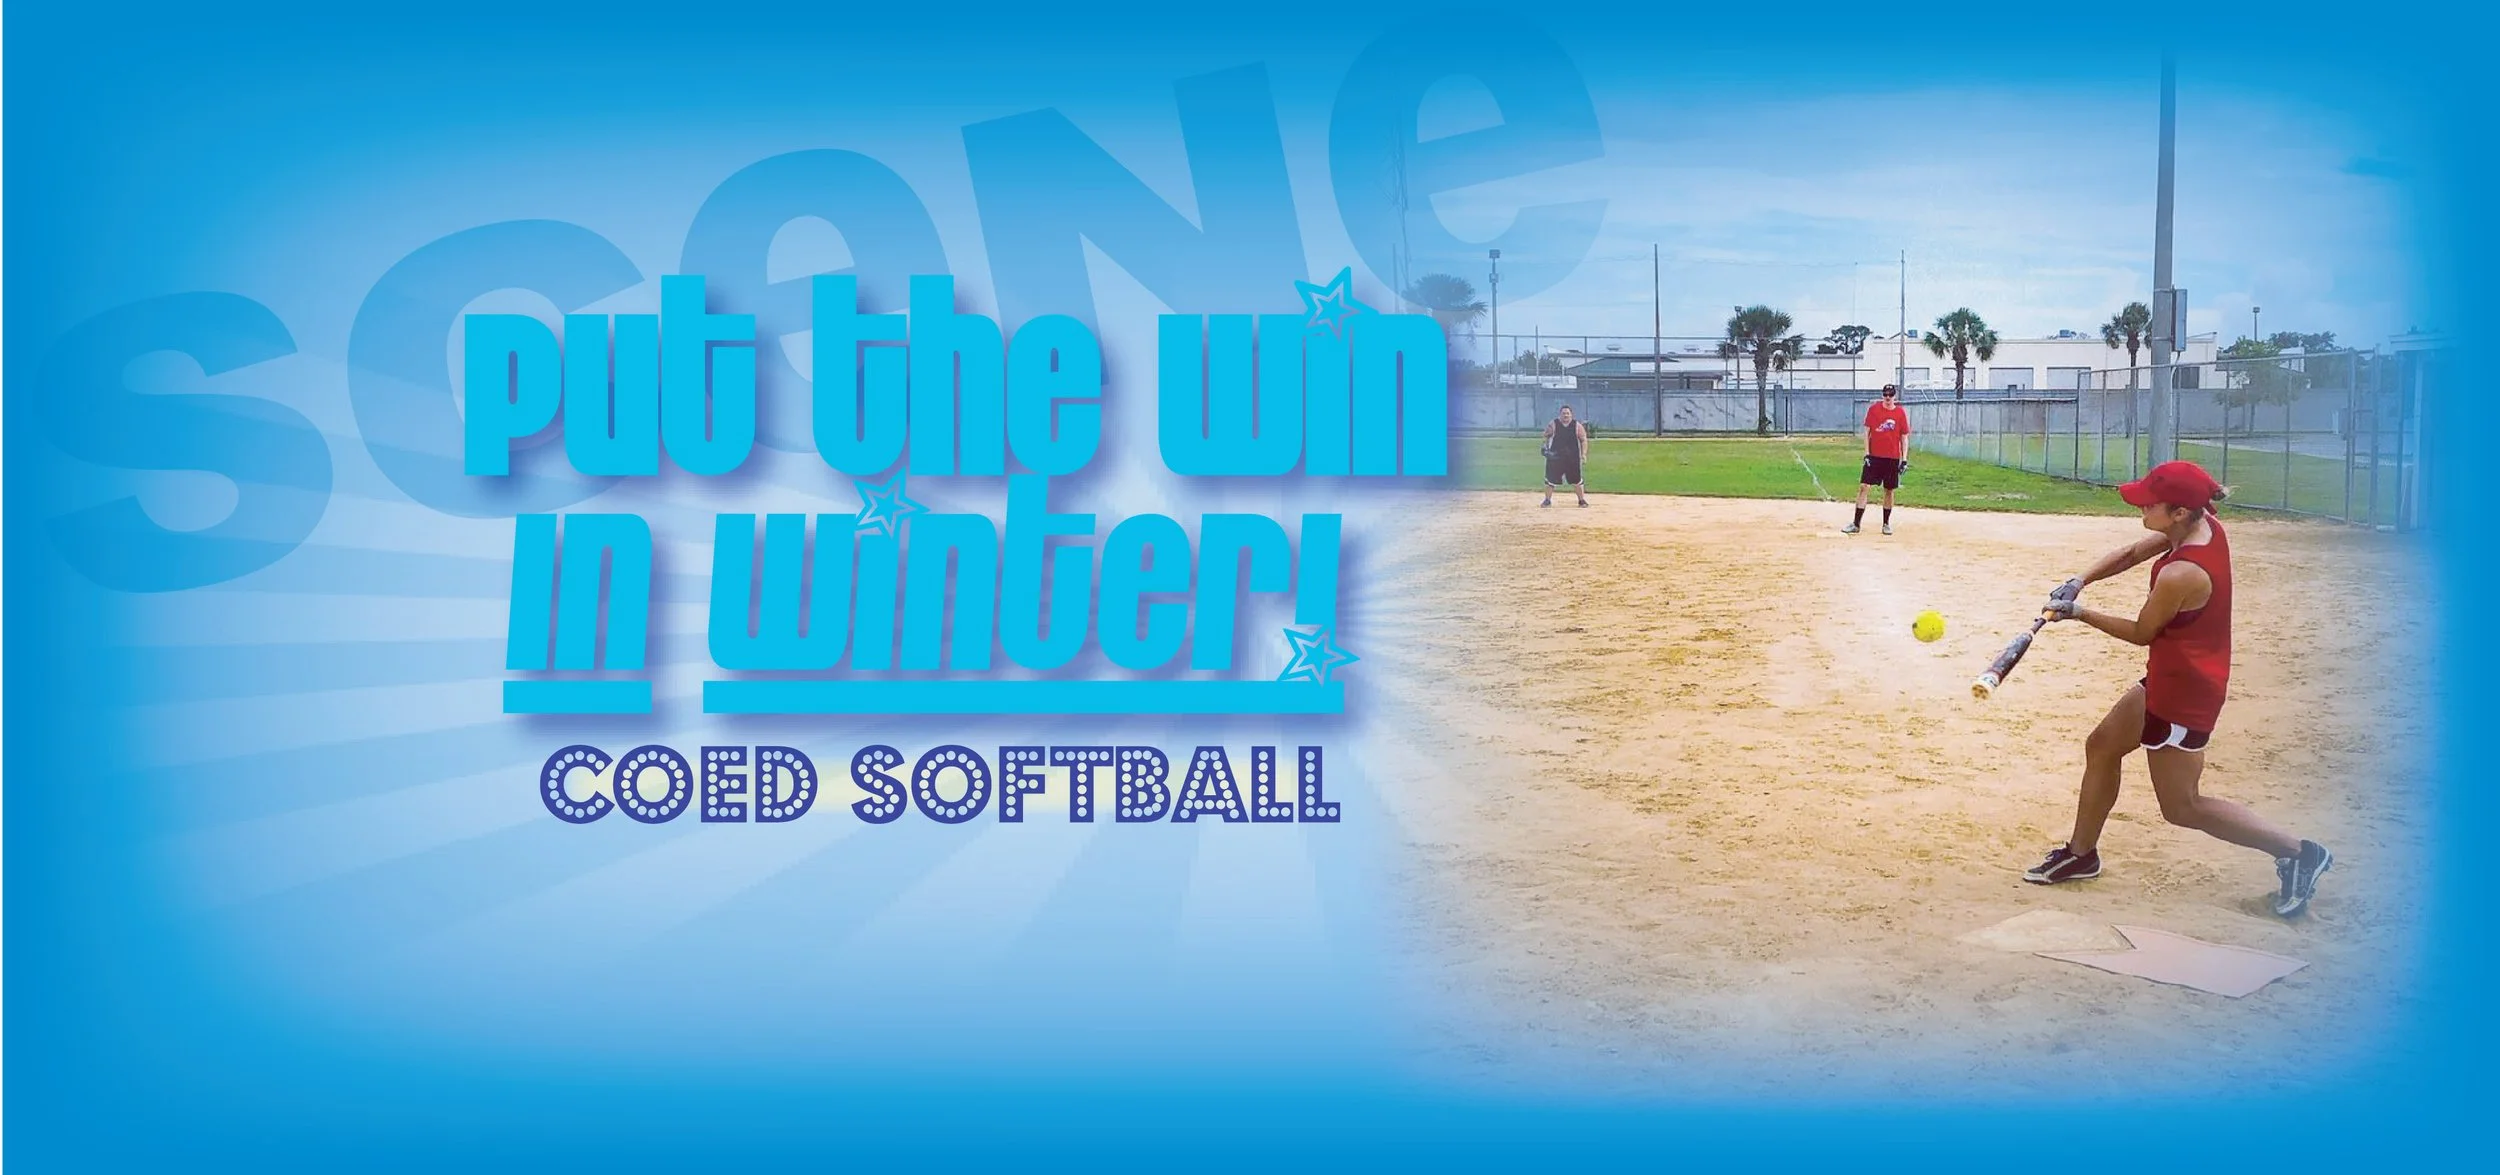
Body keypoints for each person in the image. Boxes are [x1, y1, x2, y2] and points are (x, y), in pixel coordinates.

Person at [2021, 460, 2333, 917]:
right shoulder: (2203, 525)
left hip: (2185, 692)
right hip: (2171, 674)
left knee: (2183, 806)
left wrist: (2079, 613)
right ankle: (2082, 853)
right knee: (2103, 745)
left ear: (2181, 512)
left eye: (2150, 503)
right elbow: (2130, 554)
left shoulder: (2182, 573)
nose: (2141, 506)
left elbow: (2142, 632)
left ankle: (2300, 853)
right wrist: (2080, 580)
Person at [1844, 384, 1910, 535]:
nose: (1888, 397)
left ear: (1895, 396)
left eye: (1890, 395)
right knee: (1864, 486)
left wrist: (1904, 459)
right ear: (1882, 395)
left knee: (1889, 490)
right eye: (1885, 394)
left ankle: (1886, 524)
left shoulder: (1900, 413)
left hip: (1892, 457)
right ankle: (1856, 523)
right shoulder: (1874, 410)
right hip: (1874, 457)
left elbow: (1904, 437)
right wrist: (1867, 454)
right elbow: (1867, 433)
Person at [1541, 404, 1589, 508]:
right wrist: (1545, 447)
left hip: (1572, 458)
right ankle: (1547, 500)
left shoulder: (1577, 425)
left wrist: (1583, 454)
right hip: (1555, 457)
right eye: (1563, 413)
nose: (1566, 415)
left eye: (1568, 413)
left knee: (1576, 480)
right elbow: (1545, 436)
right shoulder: (1553, 424)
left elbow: (1583, 440)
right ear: (1560, 414)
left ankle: (1581, 500)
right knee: (1550, 480)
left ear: (1571, 415)